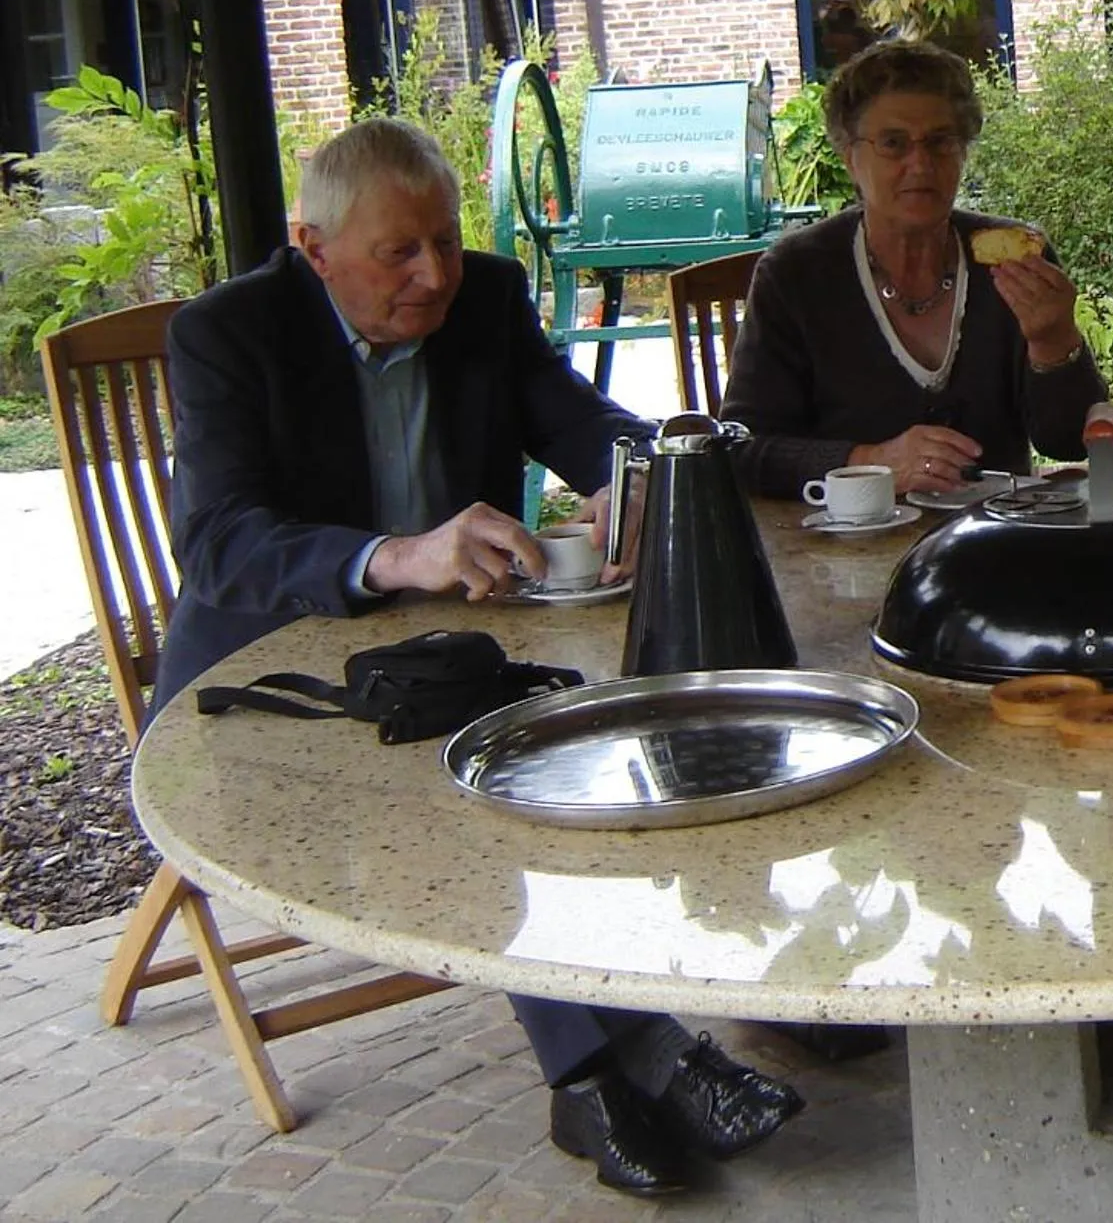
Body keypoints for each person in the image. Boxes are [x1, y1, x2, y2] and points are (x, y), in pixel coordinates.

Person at [161, 118, 802, 1197]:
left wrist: (629, 481)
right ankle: (614, 1065)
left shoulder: (486, 300)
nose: (434, 275)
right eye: (398, 253)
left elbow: (581, 418)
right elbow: (217, 538)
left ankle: (635, 1056)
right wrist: (397, 556)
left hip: (458, 651)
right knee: (494, 778)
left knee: (600, 734)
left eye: (447, 244)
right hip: (273, 684)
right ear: (314, 249)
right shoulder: (230, 332)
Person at [718, 39, 1106, 498]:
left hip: (991, 542)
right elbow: (744, 450)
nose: (920, 164)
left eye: (941, 141)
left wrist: (1053, 341)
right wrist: (871, 463)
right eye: (893, 143)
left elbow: (1065, 443)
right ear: (849, 156)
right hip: (842, 547)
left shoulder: (1014, 260)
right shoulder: (796, 274)